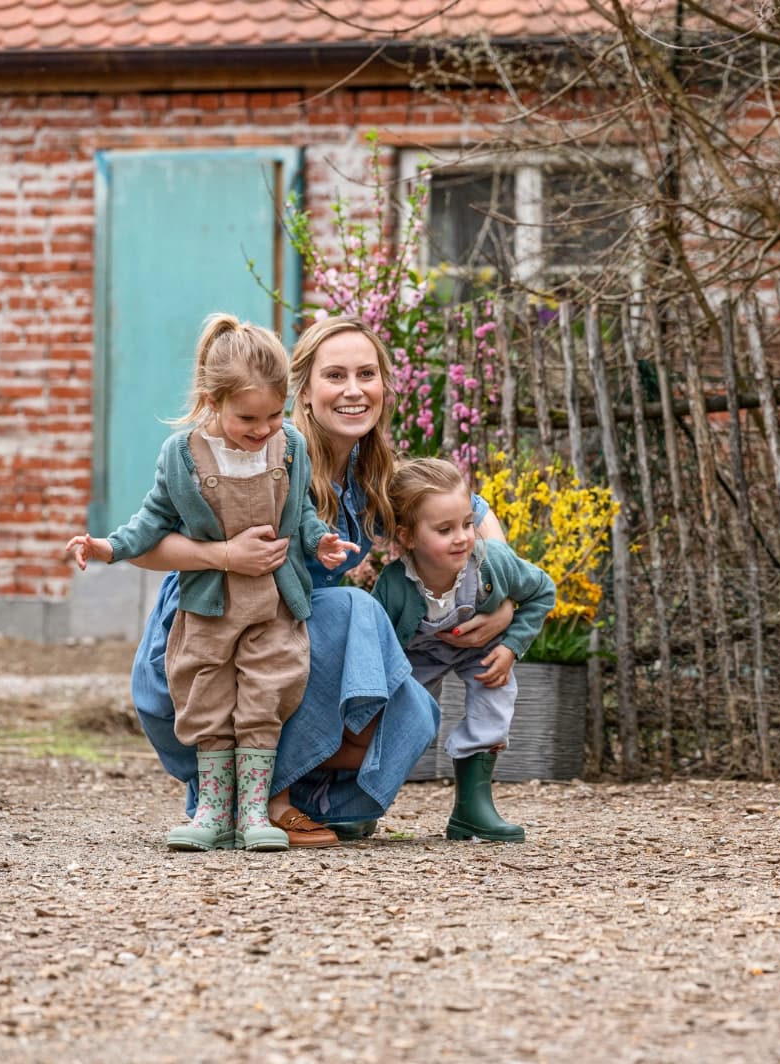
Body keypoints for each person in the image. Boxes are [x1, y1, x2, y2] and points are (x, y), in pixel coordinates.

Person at [123, 315, 514, 847]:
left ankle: (310, 797)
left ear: (384, 386)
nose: (354, 390)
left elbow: (469, 511)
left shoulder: (371, 475)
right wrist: (226, 555)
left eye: (366, 374)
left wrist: (502, 596)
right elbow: (146, 544)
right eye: (335, 375)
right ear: (302, 391)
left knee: (413, 712)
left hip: (285, 639)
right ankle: (266, 800)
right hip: (209, 634)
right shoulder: (267, 453)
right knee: (356, 611)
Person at [66, 313, 357, 852]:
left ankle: (254, 811)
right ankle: (213, 811)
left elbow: (300, 511)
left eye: (273, 414)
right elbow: (154, 519)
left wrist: (320, 541)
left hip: (273, 604)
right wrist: (108, 546)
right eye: (248, 417)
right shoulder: (183, 455)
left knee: (265, 696)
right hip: (209, 605)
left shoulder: (289, 446)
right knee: (207, 696)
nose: (262, 429)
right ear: (212, 400)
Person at [372, 458, 555, 843]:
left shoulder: (493, 564)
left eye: (468, 524)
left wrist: (511, 647)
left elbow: (542, 591)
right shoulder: (394, 585)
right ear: (407, 537)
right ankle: (361, 803)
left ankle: (473, 807)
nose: (462, 538)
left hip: (481, 650)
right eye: (445, 530)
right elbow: (379, 639)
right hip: (418, 654)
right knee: (400, 714)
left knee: (494, 697)